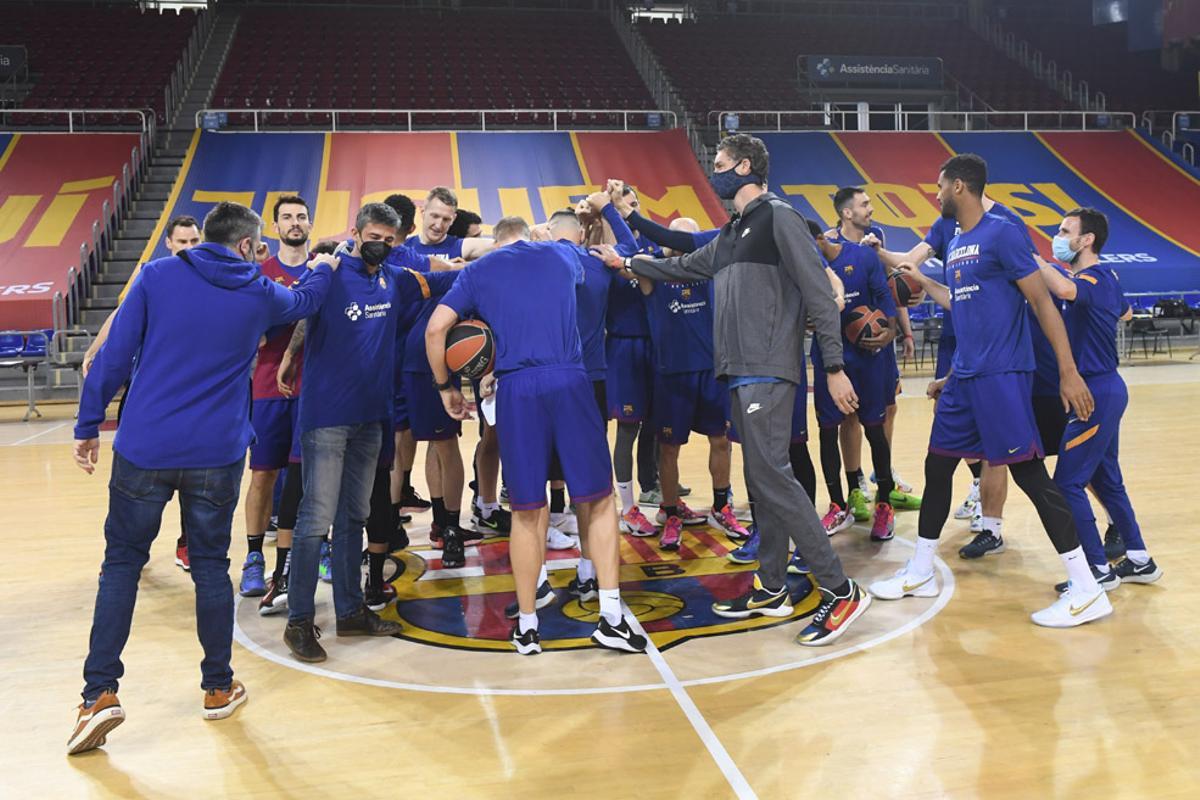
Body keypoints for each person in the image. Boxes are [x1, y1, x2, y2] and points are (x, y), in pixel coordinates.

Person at [67, 201, 337, 755]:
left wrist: (88, 423)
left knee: (121, 565)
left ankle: (98, 696)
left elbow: (115, 356)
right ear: (245, 245)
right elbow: (307, 300)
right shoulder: (259, 291)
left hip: (145, 446)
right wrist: (326, 267)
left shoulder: (158, 274)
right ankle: (217, 688)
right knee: (212, 569)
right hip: (215, 455)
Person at [597, 134, 872, 647]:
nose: (714, 171)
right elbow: (683, 265)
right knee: (762, 481)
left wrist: (833, 366)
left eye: (720, 164)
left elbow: (817, 290)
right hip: (738, 371)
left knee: (774, 479)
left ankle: (841, 589)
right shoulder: (734, 230)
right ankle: (772, 586)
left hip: (769, 368)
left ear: (744, 166)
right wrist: (629, 261)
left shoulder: (778, 217)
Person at [869, 153, 1111, 628]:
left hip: (1003, 376)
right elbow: (960, 305)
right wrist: (923, 284)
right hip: (966, 378)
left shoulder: (1003, 232)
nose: (935, 195)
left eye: (939, 187)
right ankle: (920, 570)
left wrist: (1067, 371)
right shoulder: (958, 243)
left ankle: (1087, 588)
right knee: (937, 467)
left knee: (1029, 476)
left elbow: (1041, 301)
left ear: (960, 187)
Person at [426, 216, 646, 655]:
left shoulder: (478, 270)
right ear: (533, 234)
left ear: (498, 239)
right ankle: (610, 615)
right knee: (598, 499)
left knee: (527, 510)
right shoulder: (563, 253)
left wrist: (446, 387)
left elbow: (435, 331)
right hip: (569, 379)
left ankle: (527, 626)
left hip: (516, 389)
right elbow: (614, 258)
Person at [281, 203, 458, 663]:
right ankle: (299, 619)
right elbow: (299, 311)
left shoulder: (396, 278)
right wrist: (290, 356)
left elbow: (447, 279)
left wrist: (497, 258)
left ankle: (350, 609)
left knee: (353, 518)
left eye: (390, 238)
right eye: (374, 234)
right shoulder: (330, 271)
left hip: (372, 416)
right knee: (315, 519)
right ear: (357, 233)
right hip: (325, 416)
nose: (382, 243)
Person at [1039, 208, 1161, 589]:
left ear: (1086, 239)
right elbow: (1125, 314)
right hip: (1105, 388)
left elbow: (1062, 289)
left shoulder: (1092, 277)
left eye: (1064, 231)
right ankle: (1140, 560)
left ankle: (1096, 570)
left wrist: (1027, 257)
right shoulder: (1105, 279)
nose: (1058, 237)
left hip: (1093, 392)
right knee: (1107, 481)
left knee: (1067, 483)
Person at [82, 215, 203, 572]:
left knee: (193, 481)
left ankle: (188, 545)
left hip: (193, 397)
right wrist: (93, 351)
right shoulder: (153, 277)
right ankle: (124, 550)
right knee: (134, 479)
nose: (189, 248)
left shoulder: (211, 279)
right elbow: (120, 316)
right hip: (146, 396)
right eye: (182, 242)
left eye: (195, 241)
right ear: (168, 244)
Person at [402, 187, 494, 553]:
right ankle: (400, 521)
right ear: (423, 212)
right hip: (400, 357)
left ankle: (448, 525)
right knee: (402, 444)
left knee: (443, 443)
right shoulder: (403, 247)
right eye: (434, 216)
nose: (439, 223)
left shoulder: (459, 246)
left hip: (439, 361)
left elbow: (492, 247)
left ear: (454, 220)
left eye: (446, 218)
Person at [806, 221, 900, 542]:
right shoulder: (800, 269)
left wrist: (890, 330)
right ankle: (837, 504)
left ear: (820, 240)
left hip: (867, 358)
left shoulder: (862, 258)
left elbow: (884, 298)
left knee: (875, 429)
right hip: (828, 360)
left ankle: (884, 503)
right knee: (828, 431)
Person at [827, 188, 919, 514]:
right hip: (848, 348)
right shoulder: (829, 245)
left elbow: (890, 291)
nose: (871, 208)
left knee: (887, 409)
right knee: (849, 417)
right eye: (865, 204)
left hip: (881, 344)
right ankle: (857, 487)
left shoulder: (875, 239)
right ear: (846, 213)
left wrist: (903, 330)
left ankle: (885, 477)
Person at [240, 195, 313, 599]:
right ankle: (254, 558)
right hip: (268, 385)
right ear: (275, 226)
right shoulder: (260, 274)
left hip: (314, 385)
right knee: (264, 473)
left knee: (312, 476)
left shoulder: (325, 269)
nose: (295, 222)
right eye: (287, 217)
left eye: (301, 216)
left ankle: (315, 546)